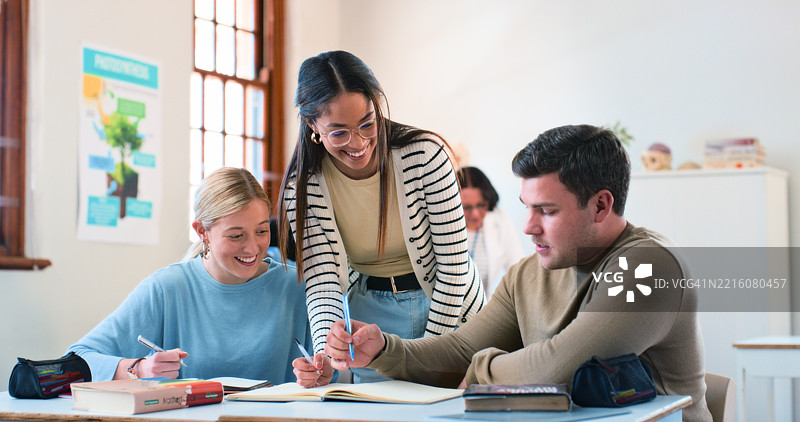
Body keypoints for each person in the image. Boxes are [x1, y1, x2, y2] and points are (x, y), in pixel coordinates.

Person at [299, 125, 711, 421]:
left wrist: (479, 370)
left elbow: (555, 370)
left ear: (601, 206)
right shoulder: (529, 273)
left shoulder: (649, 268)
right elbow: (460, 350)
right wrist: (386, 349)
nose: (528, 226)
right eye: (527, 207)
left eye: (547, 211)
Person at [277, 51, 485, 382]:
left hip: (449, 307)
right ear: (312, 125)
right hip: (371, 319)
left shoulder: (425, 156)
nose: (358, 143)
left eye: (367, 123)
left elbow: (454, 267)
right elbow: (324, 283)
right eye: (338, 132)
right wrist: (326, 355)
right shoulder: (304, 186)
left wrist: (429, 354)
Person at [68, 167, 313, 384]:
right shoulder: (167, 288)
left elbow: (329, 372)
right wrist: (139, 368)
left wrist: (318, 372)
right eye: (236, 236)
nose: (252, 248)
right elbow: (79, 357)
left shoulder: (297, 286)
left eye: (261, 231)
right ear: (202, 232)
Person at [457, 166, 525, 298]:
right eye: (466, 207)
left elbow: (518, 267)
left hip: (482, 307)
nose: (475, 214)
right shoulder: (443, 227)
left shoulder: (500, 220)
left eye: (481, 205)